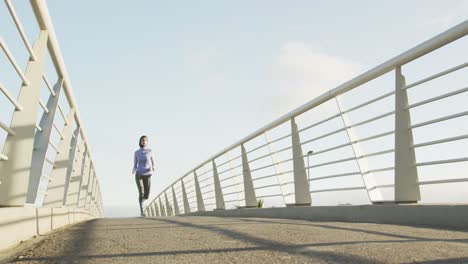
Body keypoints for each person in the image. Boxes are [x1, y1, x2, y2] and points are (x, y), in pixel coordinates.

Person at [132, 135, 155, 217]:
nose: (144, 141)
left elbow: (153, 161)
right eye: (142, 140)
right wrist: (133, 169)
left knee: (147, 195)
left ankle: (142, 200)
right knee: (141, 192)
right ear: (140, 142)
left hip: (147, 174)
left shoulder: (150, 151)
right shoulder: (136, 152)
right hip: (139, 174)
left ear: (147, 142)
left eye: (145, 140)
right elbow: (135, 164)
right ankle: (142, 211)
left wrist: (153, 168)